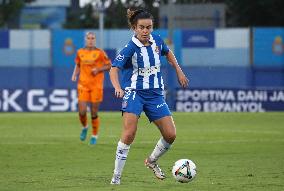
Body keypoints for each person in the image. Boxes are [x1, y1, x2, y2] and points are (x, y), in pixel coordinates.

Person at [109, 9, 189, 185]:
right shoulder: (130, 48)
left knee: (171, 134)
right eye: (141, 27)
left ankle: (151, 161)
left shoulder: (157, 40)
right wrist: (117, 87)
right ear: (134, 28)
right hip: (134, 93)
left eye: (149, 27)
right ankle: (116, 177)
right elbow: (114, 68)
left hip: (155, 95)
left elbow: (168, 53)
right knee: (129, 134)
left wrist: (179, 71)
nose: (145, 31)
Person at [71, 32, 111, 145]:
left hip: (96, 86)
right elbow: (78, 64)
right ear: (85, 39)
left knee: (94, 112)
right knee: (82, 111)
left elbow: (109, 65)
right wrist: (74, 74)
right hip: (83, 84)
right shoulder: (80, 52)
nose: (91, 40)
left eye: (93, 38)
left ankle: (94, 135)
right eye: (89, 38)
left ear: (95, 40)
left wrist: (98, 70)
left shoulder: (100, 52)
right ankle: (85, 127)